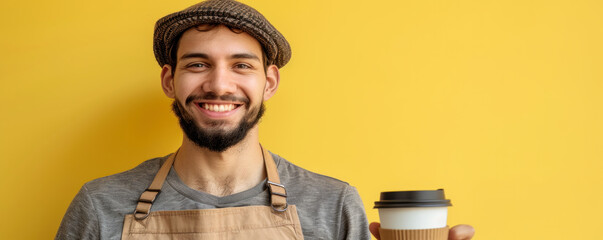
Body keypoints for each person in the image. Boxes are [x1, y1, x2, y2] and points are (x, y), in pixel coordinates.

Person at [56, 0, 475, 239]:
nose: (219, 85)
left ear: (269, 82)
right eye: (198, 64)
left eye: (241, 66)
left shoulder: (333, 206)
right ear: (170, 79)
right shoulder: (100, 205)